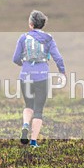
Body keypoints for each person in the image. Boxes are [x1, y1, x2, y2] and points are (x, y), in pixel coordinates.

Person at [12, 10, 65, 148]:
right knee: (38, 110)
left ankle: (25, 125)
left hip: (25, 76)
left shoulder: (23, 38)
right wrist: (62, 72)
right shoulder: (49, 39)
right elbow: (58, 58)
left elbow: (15, 58)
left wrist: (23, 64)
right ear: (43, 24)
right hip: (42, 77)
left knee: (28, 105)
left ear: (30, 24)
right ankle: (33, 142)